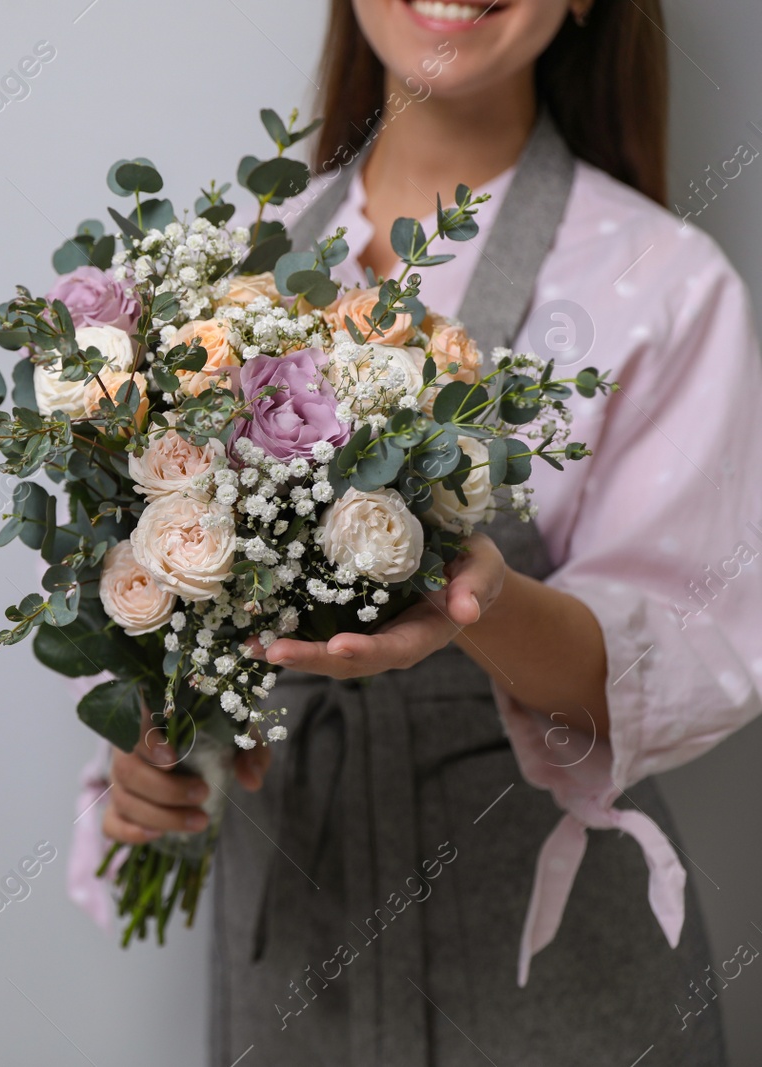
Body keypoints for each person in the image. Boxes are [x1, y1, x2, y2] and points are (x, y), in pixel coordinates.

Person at [72, 0, 762, 1062]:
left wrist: (463, 593)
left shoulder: (663, 286)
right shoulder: (222, 265)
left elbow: (687, 654)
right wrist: (163, 759)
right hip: (294, 945)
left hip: (556, 974)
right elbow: (172, 616)